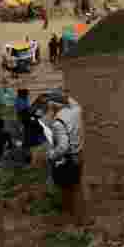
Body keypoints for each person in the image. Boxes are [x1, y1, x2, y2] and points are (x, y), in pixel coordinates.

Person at [44, 95, 88, 225]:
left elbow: (63, 146)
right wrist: (62, 95)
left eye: (50, 108)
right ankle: (82, 219)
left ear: (54, 107)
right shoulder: (75, 111)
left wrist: (51, 155)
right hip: (79, 155)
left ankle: (71, 221)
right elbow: (76, 104)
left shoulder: (58, 123)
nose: (49, 111)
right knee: (77, 188)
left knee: (66, 190)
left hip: (68, 158)